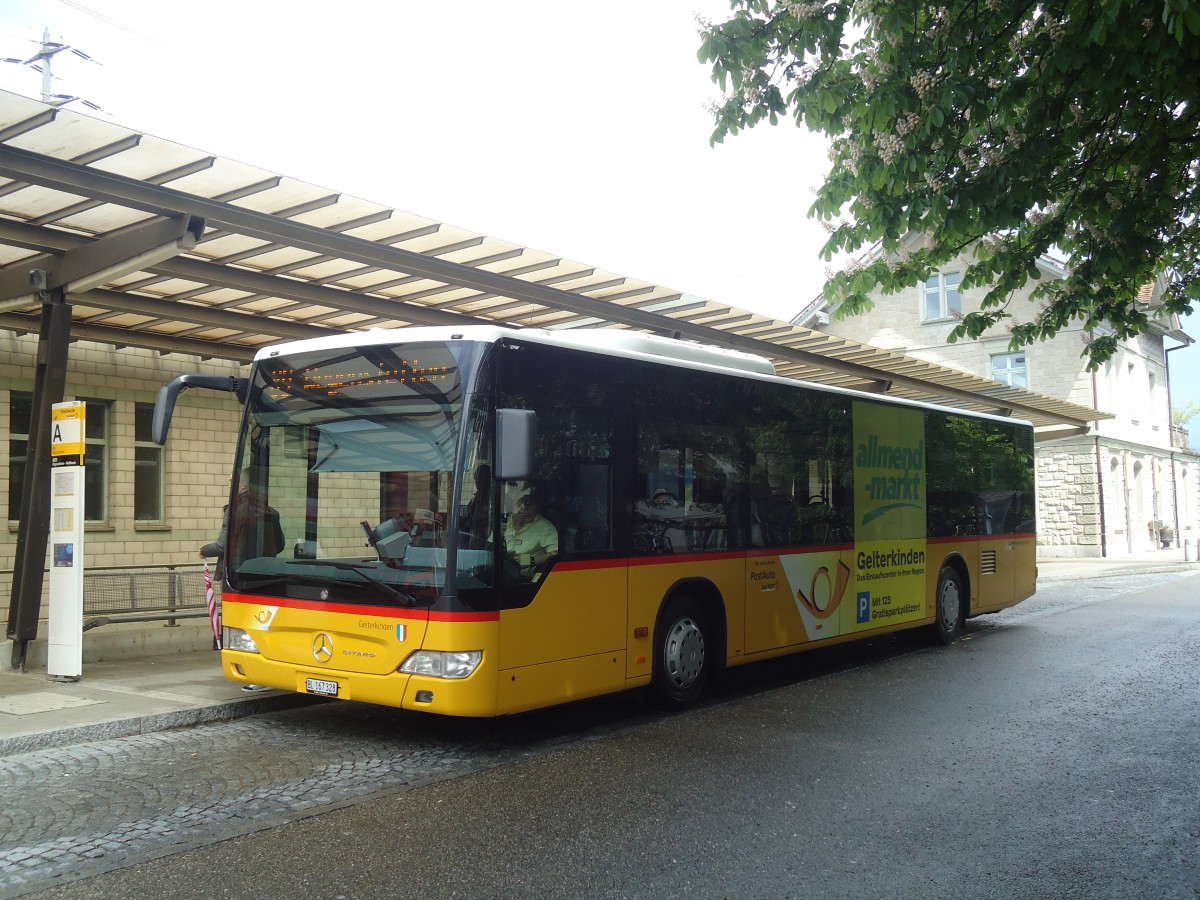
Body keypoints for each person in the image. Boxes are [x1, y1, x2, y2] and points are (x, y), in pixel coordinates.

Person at [503, 493, 558, 575]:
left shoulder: (544, 527)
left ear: (536, 511)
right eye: (518, 513)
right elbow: (490, 545)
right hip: (500, 570)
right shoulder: (506, 522)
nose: (521, 517)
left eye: (526, 515)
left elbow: (555, 553)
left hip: (524, 579)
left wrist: (530, 560)